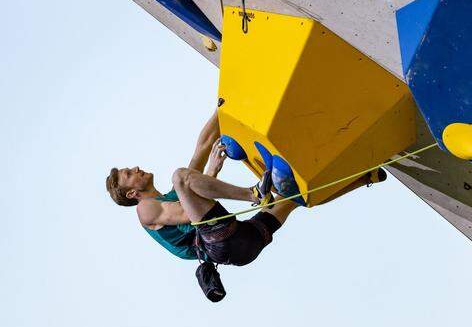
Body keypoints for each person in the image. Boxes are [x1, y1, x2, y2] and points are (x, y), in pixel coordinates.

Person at [105, 108, 387, 267]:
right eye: (130, 174)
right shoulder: (146, 210)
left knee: (295, 198)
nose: (136, 168)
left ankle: (366, 177)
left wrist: (225, 105)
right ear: (132, 193)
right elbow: (186, 211)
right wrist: (211, 175)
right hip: (221, 242)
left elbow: (203, 146)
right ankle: (254, 193)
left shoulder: (166, 197)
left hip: (241, 246)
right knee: (182, 175)